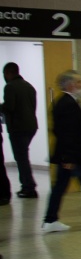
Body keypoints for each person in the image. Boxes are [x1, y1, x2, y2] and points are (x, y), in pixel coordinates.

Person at [41, 71, 81, 233]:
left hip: (73, 156)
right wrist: (68, 158)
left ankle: (50, 220)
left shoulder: (67, 102)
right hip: (74, 157)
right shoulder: (67, 104)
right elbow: (66, 133)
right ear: (70, 85)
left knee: (63, 188)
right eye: (79, 82)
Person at [2, 62, 39, 199]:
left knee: (21, 158)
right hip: (31, 126)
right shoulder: (29, 86)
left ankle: (29, 188)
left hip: (18, 127)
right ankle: (28, 186)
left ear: (8, 73)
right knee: (23, 156)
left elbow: (9, 107)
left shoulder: (10, 87)